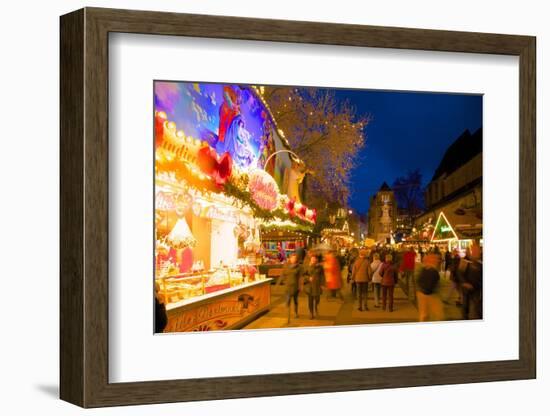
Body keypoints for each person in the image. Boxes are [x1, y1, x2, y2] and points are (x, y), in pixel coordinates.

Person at [416, 254, 445, 322]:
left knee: (424, 314)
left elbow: (418, 280)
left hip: (423, 293)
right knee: (438, 314)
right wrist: (428, 291)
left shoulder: (425, 269)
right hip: (430, 294)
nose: (438, 262)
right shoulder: (433, 271)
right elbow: (430, 284)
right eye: (436, 260)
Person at [459, 244, 483, 319]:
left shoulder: (481, 263)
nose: (476, 252)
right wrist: (465, 283)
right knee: (466, 305)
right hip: (466, 288)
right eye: (474, 251)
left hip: (476, 289)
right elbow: (459, 273)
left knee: (477, 307)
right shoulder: (465, 261)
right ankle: (465, 318)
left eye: (478, 251)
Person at [281, 252, 303, 323]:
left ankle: (296, 312)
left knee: (295, 301)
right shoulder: (286, 266)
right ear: (290, 259)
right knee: (288, 301)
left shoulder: (299, 267)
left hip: (295, 286)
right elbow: (283, 274)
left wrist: (300, 286)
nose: (294, 259)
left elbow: (300, 277)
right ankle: (288, 317)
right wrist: (284, 281)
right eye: (292, 258)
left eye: (295, 258)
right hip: (288, 286)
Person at [303, 254, 325, 319]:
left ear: (316, 260)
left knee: (317, 299)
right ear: (310, 259)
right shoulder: (307, 266)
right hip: (310, 286)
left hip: (317, 285)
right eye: (312, 259)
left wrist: (322, 284)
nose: (313, 260)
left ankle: (316, 307)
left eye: (314, 259)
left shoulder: (320, 267)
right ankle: (311, 313)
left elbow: (322, 276)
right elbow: (304, 275)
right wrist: (308, 278)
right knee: (310, 300)